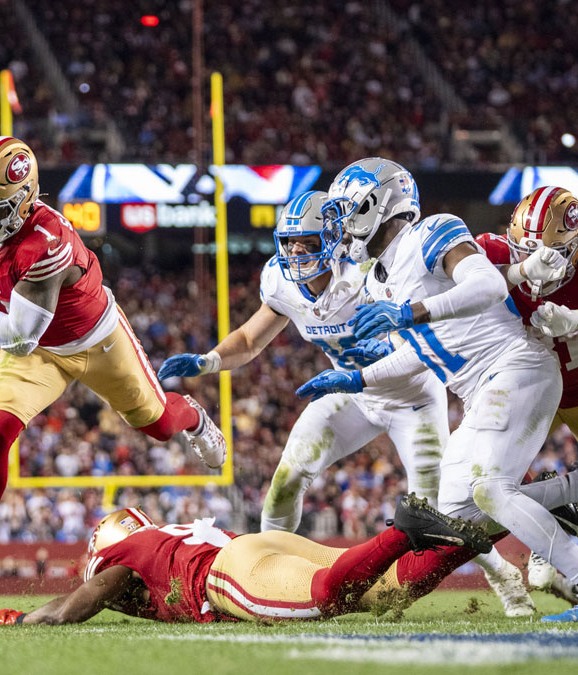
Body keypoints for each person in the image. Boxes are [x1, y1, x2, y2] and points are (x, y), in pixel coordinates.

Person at [158, 190, 531, 616]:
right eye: (289, 243)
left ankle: (503, 577)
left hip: (412, 396)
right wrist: (209, 361)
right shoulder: (281, 281)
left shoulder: (372, 272)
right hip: (350, 394)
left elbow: (427, 340)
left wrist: (388, 349)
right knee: (287, 479)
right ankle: (269, 578)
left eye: (309, 243)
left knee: (439, 515)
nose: (296, 253)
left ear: (337, 239)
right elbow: (248, 338)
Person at [0, 136, 225, 586]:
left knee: (158, 425)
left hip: (93, 340)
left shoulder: (46, 244)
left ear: (23, 202)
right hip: (41, 349)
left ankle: (193, 417)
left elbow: (19, 337)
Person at [295, 158, 578, 623]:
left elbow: (487, 284)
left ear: (377, 205)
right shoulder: (375, 281)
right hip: (481, 390)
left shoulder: (433, 232)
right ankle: (568, 491)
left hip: (516, 367)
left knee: (490, 488)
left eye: (347, 211)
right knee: (458, 510)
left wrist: (411, 313)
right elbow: (424, 352)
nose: (341, 226)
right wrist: (358, 379)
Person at [0, 501, 492, 625]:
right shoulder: (161, 537)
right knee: (386, 594)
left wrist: (27, 618)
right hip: (258, 544)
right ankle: (496, 522)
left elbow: (80, 603)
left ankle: (403, 531)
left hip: (226, 574)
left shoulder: (123, 555)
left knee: (325, 598)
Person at [474, 185, 578, 603]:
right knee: (487, 481)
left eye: (550, 254)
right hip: (529, 385)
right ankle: (555, 522)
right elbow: (461, 280)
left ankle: (562, 518)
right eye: (522, 250)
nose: (532, 260)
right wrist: (516, 271)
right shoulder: (495, 253)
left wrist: (574, 320)